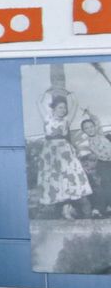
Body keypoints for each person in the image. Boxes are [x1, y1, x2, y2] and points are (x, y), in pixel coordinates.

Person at [36, 89, 92, 219]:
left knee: (68, 176)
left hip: (65, 151)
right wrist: (45, 92)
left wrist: (72, 93)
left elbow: (76, 104)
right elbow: (37, 103)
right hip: (50, 152)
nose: (63, 110)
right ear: (54, 108)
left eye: (64, 108)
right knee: (55, 178)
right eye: (60, 107)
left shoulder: (66, 120)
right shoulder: (46, 118)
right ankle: (63, 209)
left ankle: (69, 208)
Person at [72, 114, 111, 215]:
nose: (90, 129)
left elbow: (97, 120)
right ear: (84, 131)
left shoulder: (101, 134)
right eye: (86, 128)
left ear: (95, 127)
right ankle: (103, 207)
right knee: (106, 183)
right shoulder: (87, 141)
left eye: (91, 127)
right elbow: (82, 153)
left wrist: (89, 113)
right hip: (103, 163)